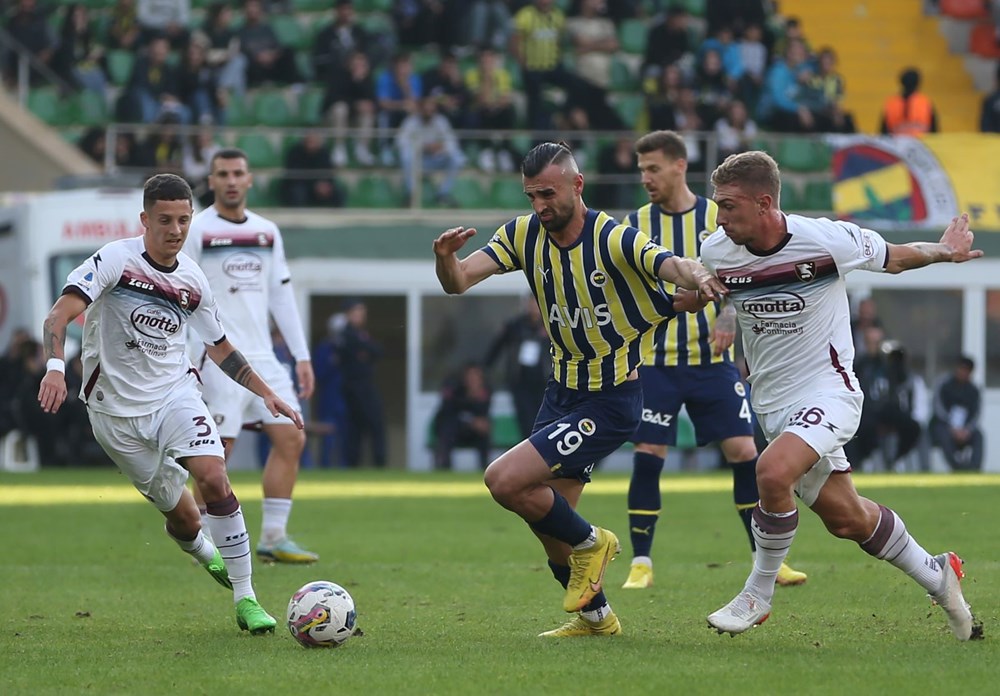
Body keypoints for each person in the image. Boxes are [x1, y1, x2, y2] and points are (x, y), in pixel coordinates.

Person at [432, 141, 728, 638]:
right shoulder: (524, 234)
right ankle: (597, 619)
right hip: (561, 394)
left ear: (577, 185)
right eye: (531, 196)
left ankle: (596, 542)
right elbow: (458, 281)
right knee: (550, 527)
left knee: (504, 481)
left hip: (610, 400)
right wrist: (445, 258)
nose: (539, 206)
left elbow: (672, 267)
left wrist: (700, 272)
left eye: (547, 194)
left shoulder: (614, 237)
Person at [698, 150, 983, 641]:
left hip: (830, 392)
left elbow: (894, 257)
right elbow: (720, 288)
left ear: (764, 203)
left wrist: (943, 252)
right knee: (848, 519)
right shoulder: (718, 251)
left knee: (770, 471)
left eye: (729, 206)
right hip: (773, 404)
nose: (720, 218)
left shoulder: (824, 240)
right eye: (718, 206)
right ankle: (938, 575)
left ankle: (757, 593)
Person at [37, 173, 302, 634]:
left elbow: (220, 348)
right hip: (114, 414)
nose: (175, 230)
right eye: (164, 220)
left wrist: (267, 393)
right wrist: (55, 368)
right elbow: (59, 315)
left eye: (183, 220)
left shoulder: (193, 279)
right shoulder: (114, 260)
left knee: (214, 477)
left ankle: (247, 598)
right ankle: (204, 552)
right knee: (181, 519)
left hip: (175, 395)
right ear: (144, 219)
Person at [620, 130, 806, 592]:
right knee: (649, 452)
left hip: (710, 361)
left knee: (745, 452)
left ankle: (768, 559)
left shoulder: (717, 216)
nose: (646, 178)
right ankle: (641, 561)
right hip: (656, 362)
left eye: (653, 168)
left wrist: (728, 313)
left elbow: (743, 273)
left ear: (680, 166)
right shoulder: (635, 222)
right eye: (641, 170)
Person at [183, 149, 319, 565]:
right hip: (218, 356)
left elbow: (281, 294)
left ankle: (273, 536)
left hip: (263, 356)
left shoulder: (266, 231)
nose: (230, 180)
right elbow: (182, 293)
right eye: (222, 173)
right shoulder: (199, 230)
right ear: (211, 180)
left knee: (291, 436)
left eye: (238, 173)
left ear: (250, 179)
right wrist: (186, 359)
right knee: (216, 452)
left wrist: (300, 355)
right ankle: (201, 536)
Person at [483, 294, 551, 440]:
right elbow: (497, 347)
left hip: (545, 382)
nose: (534, 308)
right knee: (526, 421)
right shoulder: (515, 326)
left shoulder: (551, 325)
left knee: (544, 420)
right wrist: (484, 369)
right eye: (531, 303)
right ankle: (529, 455)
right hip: (520, 381)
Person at [338, 298, 387, 468]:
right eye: (357, 312)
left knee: (374, 425)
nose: (360, 316)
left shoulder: (361, 335)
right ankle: (354, 464)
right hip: (354, 388)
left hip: (365, 386)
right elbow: (352, 351)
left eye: (362, 312)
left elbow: (377, 351)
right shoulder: (346, 335)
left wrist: (366, 348)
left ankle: (377, 463)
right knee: (357, 428)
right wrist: (365, 348)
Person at [431, 362, 493, 470]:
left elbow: (483, 415)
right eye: (471, 376)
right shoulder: (455, 391)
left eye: (477, 376)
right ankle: (443, 469)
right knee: (448, 430)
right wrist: (472, 421)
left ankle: (486, 469)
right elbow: (448, 413)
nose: (474, 380)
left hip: (471, 432)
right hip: (453, 429)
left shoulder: (485, 393)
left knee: (483, 431)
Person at [930, 356, 984, 472]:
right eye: (961, 369)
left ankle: (974, 469)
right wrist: (952, 427)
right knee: (942, 433)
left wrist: (966, 430)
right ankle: (957, 468)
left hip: (964, 429)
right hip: (945, 425)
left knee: (978, 435)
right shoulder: (944, 384)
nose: (963, 372)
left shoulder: (973, 390)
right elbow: (938, 407)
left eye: (966, 370)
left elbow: (976, 413)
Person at [880, 67, 938, 136]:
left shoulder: (891, 103)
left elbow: (883, 134)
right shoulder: (925, 103)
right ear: (918, 83)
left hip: (897, 145)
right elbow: (935, 132)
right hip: (920, 144)